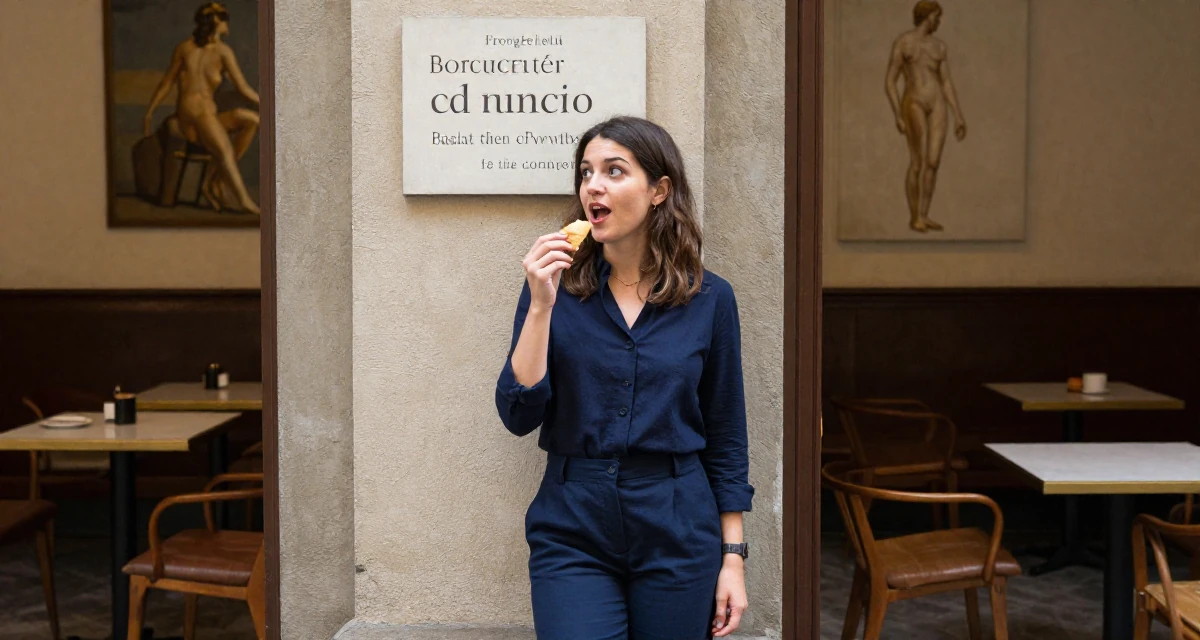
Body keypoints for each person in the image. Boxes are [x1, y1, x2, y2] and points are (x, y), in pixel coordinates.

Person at [495, 116, 754, 639]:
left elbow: (726, 435)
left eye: (615, 171)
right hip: (574, 523)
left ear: (659, 190)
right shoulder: (553, 287)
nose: (594, 185)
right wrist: (542, 306)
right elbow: (517, 414)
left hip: (678, 520)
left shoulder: (710, 300)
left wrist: (733, 558)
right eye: (587, 172)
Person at [144, 2, 261, 214]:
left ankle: (213, 181)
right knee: (224, 148)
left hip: (208, 118)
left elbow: (243, 88)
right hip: (192, 117)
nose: (228, 26)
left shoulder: (224, 52)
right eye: (225, 20)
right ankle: (243, 199)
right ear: (216, 21)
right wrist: (150, 111)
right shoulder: (185, 48)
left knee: (252, 120)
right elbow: (167, 82)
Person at [885, 0, 967, 233]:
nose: (938, 21)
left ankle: (925, 214)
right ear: (927, 16)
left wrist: (958, 115)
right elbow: (890, 81)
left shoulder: (939, 47)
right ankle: (914, 217)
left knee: (933, 162)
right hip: (914, 102)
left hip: (938, 102)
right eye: (936, 16)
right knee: (917, 161)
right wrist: (897, 113)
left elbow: (947, 82)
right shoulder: (905, 42)